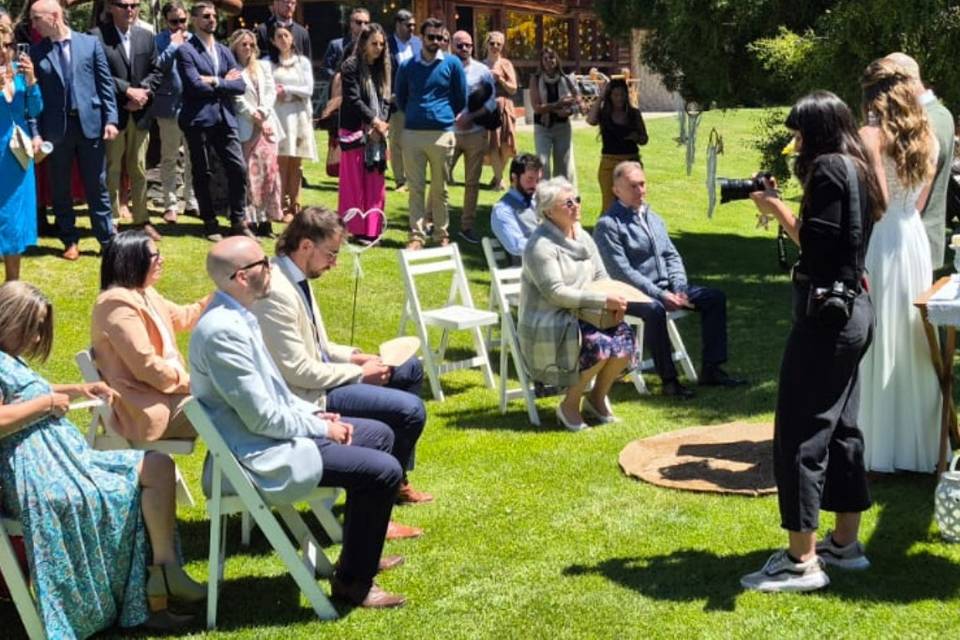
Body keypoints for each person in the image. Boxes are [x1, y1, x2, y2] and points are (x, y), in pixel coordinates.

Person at [189, 236, 407, 608]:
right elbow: (261, 418)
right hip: (257, 454)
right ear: (241, 277)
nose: (271, 268)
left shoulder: (238, 315)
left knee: (381, 435)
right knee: (383, 471)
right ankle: (354, 584)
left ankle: (358, 558)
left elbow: (273, 396)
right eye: (263, 264)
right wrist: (323, 428)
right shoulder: (223, 331)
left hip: (271, 435)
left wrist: (313, 414)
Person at [0, 281, 204, 636]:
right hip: (37, 471)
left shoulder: (8, 359)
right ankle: (144, 603)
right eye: (32, 328)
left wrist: (76, 389)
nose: (35, 340)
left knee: (156, 465)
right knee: (111, 495)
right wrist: (47, 405)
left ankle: (163, 574)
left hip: (68, 459)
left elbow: (25, 390)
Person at [743, 91, 883, 592]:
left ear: (818, 130)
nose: (794, 139)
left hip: (827, 317)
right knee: (843, 428)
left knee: (800, 431)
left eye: (799, 130)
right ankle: (845, 543)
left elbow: (819, 247)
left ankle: (801, 560)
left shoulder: (826, 168)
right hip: (856, 310)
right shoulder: (859, 165)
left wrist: (775, 207)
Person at [252, 207, 433, 510]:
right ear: (306, 245)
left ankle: (397, 479)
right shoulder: (278, 291)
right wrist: (359, 373)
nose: (334, 264)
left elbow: (319, 345)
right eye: (332, 254)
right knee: (410, 410)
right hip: (308, 395)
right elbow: (298, 371)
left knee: (408, 368)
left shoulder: (297, 275)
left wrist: (357, 357)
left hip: (321, 377)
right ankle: (381, 490)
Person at [594, 162, 746, 397]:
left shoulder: (653, 217)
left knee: (714, 298)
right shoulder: (608, 225)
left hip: (667, 288)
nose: (640, 190)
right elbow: (622, 272)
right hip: (633, 295)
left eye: (642, 184)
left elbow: (671, 255)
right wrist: (661, 295)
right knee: (655, 310)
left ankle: (712, 369)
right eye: (633, 186)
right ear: (616, 190)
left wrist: (679, 288)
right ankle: (669, 381)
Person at [858, 58, 941, 473]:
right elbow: (919, 203)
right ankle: (915, 445)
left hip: (882, 239)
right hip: (913, 241)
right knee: (910, 340)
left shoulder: (871, 137)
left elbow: (877, 201)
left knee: (877, 335)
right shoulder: (929, 138)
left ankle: (874, 442)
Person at [518, 177, 634, 431]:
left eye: (576, 200)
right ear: (548, 211)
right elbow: (556, 293)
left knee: (624, 340)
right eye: (567, 202)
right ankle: (569, 405)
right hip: (550, 317)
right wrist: (603, 300)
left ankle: (596, 398)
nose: (575, 206)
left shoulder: (581, 235)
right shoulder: (540, 246)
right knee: (599, 345)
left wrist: (613, 301)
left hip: (586, 310)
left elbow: (601, 276)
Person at [91, 229, 210, 442]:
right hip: (143, 409)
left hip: (168, 395)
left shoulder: (145, 293)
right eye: (155, 256)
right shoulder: (115, 303)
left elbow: (185, 316)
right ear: (133, 261)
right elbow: (146, 366)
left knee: (231, 400)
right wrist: (192, 383)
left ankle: (233, 472)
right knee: (226, 405)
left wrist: (226, 291)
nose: (161, 260)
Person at [29, 0, 118, 261]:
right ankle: (69, 240)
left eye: (37, 18)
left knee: (97, 186)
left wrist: (110, 120)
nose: (33, 24)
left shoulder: (89, 44)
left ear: (55, 16)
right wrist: (36, 131)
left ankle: (106, 241)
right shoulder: (37, 52)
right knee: (60, 188)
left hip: (90, 126)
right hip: (56, 131)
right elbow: (34, 97)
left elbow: (105, 86)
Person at [176, 1, 250, 241]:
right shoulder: (186, 50)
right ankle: (210, 222)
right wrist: (221, 82)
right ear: (195, 20)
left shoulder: (224, 50)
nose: (212, 19)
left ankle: (238, 220)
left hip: (225, 119)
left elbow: (240, 85)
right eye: (206, 16)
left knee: (238, 168)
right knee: (203, 172)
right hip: (199, 120)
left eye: (214, 15)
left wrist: (216, 81)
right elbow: (194, 85)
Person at [92, 0, 163, 241]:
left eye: (134, 4)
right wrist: (127, 91)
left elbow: (156, 71)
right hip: (114, 113)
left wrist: (142, 93)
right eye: (123, 5)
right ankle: (111, 220)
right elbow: (96, 72)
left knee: (140, 168)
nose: (130, 9)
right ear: (111, 7)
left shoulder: (146, 36)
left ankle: (142, 219)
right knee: (111, 168)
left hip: (140, 113)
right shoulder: (97, 37)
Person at [394, 17, 466, 250]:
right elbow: (401, 97)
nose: (435, 41)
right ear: (421, 38)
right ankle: (416, 236)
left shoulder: (452, 63)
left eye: (439, 37)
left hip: (442, 133)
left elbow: (460, 97)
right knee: (415, 188)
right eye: (430, 37)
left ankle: (440, 233)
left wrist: (441, 114)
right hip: (413, 133)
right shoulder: (407, 66)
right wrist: (418, 113)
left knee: (440, 189)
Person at [885, 52, 956, 271]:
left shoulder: (926, 121)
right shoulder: (939, 114)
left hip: (912, 241)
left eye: (885, 86)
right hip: (921, 239)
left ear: (904, 82)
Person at [337, 23, 390, 242]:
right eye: (374, 43)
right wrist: (374, 121)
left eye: (381, 44)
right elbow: (353, 98)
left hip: (377, 134)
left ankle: (372, 230)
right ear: (363, 44)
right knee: (353, 182)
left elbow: (386, 98)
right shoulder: (350, 66)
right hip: (355, 130)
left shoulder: (383, 67)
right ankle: (353, 229)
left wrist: (381, 123)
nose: (378, 48)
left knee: (375, 182)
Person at [230, 29, 283, 238]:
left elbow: (270, 92)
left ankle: (267, 221)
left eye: (251, 44)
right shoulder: (232, 69)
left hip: (267, 128)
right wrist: (254, 115)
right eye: (244, 44)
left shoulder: (263, 67)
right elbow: (236, 97)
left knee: (270, 174)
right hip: (247, 127)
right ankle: (250, 220)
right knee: (251, 176)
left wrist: (263, 112)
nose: (248, 48)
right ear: (235, 46)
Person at [0, 22, 41, 282]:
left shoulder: (19, 71)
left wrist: (32, 81)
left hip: (17, 157)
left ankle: (12, 286)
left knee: (14, 222)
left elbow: (35, 109)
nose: (5, 52)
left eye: (8, 46)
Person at [153, 1, 197, 225]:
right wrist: (173, 46)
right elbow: (157, 67)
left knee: (194, 156)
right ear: (164, 21)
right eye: (173, 22)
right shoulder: (159, 41)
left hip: (193, 107)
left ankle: (191, 201)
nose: (179, 26)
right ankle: (170, 204)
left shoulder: (196, 40)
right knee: (169, 157)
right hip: (168, 107)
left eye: (182, 21)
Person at [451, 29, 495, 245]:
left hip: (475, 134)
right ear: (452, 46)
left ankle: (467, 226)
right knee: (440, 179)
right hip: (449, 133)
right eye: (460, 45)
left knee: (472, 183)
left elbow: (491, 103)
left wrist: (471, 116)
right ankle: (430, 220)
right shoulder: (445, 67)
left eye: (468, 45)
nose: (465, 48)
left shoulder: (483, 71)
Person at [272, 25, 315, 221]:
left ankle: (295, 205)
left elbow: (308, 89)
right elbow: (267, 88)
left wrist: (287, 89)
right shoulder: (269, 63)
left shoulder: (302, 62)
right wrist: (277, 92)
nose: (282, 39)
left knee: (296, 162)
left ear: (292, 39)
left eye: (285, 35)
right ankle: (279, 204)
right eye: (278, 36)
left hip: (298, 115)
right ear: (273, 41)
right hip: (278, 114)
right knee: (280, 162)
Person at [586, 78, 648, 212]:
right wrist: (601, 97)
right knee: (609, 205)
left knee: (633, 202)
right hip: (609, 163)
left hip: (631, 161)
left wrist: (635, 137)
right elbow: (590, 120)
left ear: (626, 95)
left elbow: (644, 139)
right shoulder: (604, 114)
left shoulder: (634, 114)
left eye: (622, 94)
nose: (619, 98)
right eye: (615, 95)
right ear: (610, 96)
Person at [528, 47, 580, 185]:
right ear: (541, 62)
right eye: (545, 58)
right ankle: (544, 199)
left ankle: (562, 199)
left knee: (563, 165)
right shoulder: (535, 79)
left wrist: (570, 111)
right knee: (543, 163)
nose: (548, 61)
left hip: (562, 126)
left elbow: (578, 100)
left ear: (557, 60)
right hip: (543, 127)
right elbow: (537, 108)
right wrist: (558, 104)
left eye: (551, 57)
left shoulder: (566, 78)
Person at [387, 9, 419, 192]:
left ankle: (414, 177)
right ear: (398, 25)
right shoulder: (387, 44)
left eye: (414, 26)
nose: (412, 29)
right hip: (396, 101)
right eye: (408, 26)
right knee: (398, 141)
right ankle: (400, 180)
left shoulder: (417, 44)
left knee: (415, 141)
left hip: (416, 102)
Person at [482, 30, 517, 192]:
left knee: (506, 145)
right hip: (488, 107)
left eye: (499, 44)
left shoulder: (506, 64)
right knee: (493, 144)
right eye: (492, 43)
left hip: (504, 106)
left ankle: (497, 176)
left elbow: (513, 88)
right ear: (487, 44)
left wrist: (500, 79)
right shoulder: (481, 65)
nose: (495, 46)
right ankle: (500, 180)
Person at [491, 152, 542, 263]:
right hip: (526, 274)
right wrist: (550, 247)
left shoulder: (536, 201)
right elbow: (516, 246)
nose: (535, 186)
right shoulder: (503, 210)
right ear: (514, 178)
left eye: (537, 180)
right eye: (530, 179)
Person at [320, 5, 369, 81]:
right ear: (351, 24)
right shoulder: (336, 45)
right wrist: (339, 79)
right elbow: (325, 69)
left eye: (366, 23)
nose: (363, 26)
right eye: (359, 22)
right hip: (342, 89)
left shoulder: (372, 45)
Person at [255, 0, 311, 64]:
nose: (289, 5)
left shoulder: (303, 33)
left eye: (293, 3)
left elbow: (307, 63)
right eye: (285, 1)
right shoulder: (262, 30)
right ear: (276, 3)